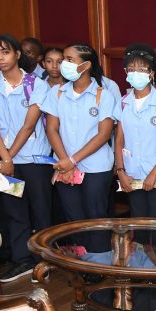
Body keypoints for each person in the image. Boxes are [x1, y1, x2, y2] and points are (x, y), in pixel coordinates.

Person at [0, 34, 54, 283]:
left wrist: (8, 159)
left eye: (5, 52)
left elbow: (28, 126)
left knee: (41, 211)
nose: (0, 58)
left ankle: (44, 262)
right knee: (14, 212)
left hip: (34, 160)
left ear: (17, 54)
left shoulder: (37, 84)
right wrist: (5, 159)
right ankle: (21, 261)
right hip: (4, 160)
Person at [41, 43, 119, 250]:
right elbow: (51, 129)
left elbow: (103, 135)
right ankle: (82, 266)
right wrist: (65, 161)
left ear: (85, 66)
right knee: (74, 219)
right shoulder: (57, 93)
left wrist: (72, 160)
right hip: (65, 167)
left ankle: (100, 266)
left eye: (68, 60)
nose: (62, 64)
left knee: (96, 220)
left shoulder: (104, 95)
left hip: (96, 168)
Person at [115, 48, 156, 219]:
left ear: (151, 74)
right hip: (132, 173)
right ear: (126, 73)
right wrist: (121, 171)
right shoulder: (123, 102)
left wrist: (154, 173)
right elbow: (119, 139)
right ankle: (140, 248)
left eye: (142, 70)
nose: (136, 73)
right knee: (138, 221)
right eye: (132, 69)